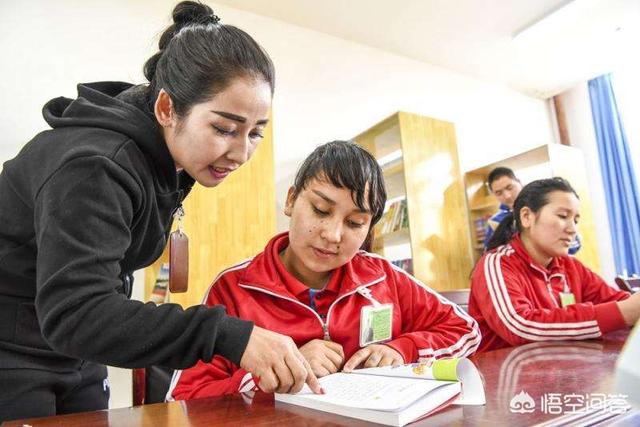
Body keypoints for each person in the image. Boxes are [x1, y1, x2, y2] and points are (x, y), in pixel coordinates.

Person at [0, 2, 320, 421]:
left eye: (255, 133)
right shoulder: (95, 166)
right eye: (224, 128)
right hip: (12, 352)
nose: (241, 153)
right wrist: (225, 334)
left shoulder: (164, 163)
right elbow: (76, 311)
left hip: (74, 353)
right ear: (167, 109)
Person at [166, 141, 481, 400]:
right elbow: (184, 399)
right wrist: (275, 373)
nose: (333, 235)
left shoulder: (382, 276)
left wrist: (402, 348)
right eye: (320, 210)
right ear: (291, 200)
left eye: (355, 222)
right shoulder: (234, 288)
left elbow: (466, 330)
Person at [469, 177, 640, 353]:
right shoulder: (497, 263)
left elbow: (619, 302)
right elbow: (520, 326)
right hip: (505, 375)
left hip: (563, 371)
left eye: (576, 220)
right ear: (527, 217)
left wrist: (630, 307)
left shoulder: (571, 266)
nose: (573, 229)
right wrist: (623, 312)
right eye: (562, 216)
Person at [483, 167, 581, 255]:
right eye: (499, 193)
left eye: (510, 187)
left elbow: (573, 247)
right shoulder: (494, 222)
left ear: (519, 182)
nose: (507, 196)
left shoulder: (545, 203)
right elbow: (489, 253)